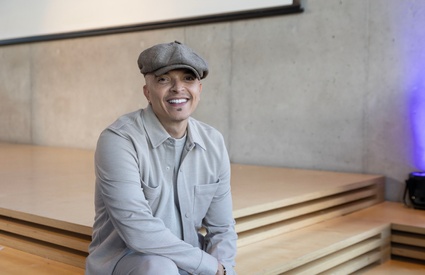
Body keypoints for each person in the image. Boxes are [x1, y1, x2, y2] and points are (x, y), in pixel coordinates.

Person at [86, 41, 238, 275]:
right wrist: (209, 266)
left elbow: (222, 228)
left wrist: (224, 269)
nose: (178, 88)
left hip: (189, 263)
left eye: (188, 79)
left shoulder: (213, 142)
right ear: (147, 92)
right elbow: (138, 230)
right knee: (159, 268)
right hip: (129, 262)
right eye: (164, 79)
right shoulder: (118, 140)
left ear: (199, 89)